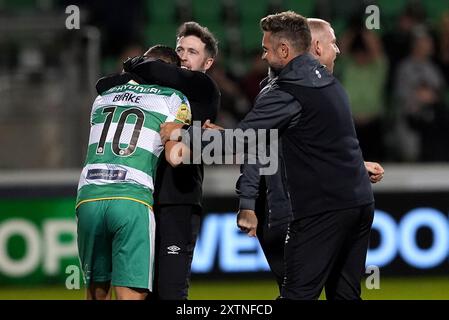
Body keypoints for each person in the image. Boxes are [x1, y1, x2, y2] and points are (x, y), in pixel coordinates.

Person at [161, 11, 375, 300]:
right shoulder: (329, 83)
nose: (262, 56)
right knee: (346, 296)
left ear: (284, 50)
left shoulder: (285, 90)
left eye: (266, 49)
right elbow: (312, 143)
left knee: (296, 295)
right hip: (359, 203)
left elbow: (246, 141)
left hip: (320, 210)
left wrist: (180, 134)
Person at [76, 45, 191, 300]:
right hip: (132, 197)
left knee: (96, 294)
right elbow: (175, 157)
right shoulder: (173, 97)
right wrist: (201, 139)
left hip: (89, 197)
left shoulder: (103, 96)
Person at [116, 22, 220, 300]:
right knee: (140, 289)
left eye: (193, 52)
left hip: (177, 199)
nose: (184, 56)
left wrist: (135, 62)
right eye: (180, 49)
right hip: (141, 200)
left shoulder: (203, 89)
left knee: (171, 290)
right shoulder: (156, 91)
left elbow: (151, 68)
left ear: (208, 62)